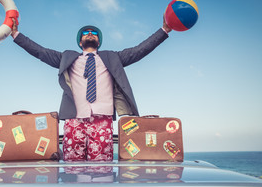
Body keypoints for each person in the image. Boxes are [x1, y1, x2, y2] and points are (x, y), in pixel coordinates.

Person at [11, 17, 172, 161]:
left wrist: (163, 31)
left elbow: (140, 50)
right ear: (80, 42)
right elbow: (40, 52)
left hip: (103, 119)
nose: (90, 33)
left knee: (101, 166)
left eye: (94, 32)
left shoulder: (112, 57)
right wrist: (16, 35)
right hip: (74, 119)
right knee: (73, 165)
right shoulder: (66, 58)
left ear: (99, 41)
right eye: (85, 32)